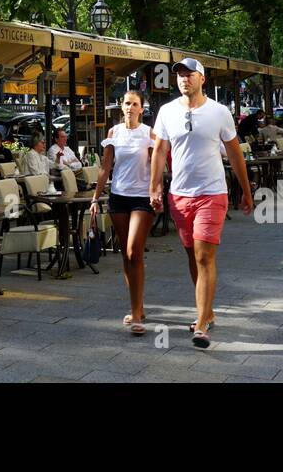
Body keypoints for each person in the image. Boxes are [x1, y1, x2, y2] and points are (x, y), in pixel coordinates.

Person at [149, 58, 253, 350]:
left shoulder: (219, 112)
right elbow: (159, 151)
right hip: (180, 196)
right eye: (180, 75)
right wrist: (155, 186)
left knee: (204, 256)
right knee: (193, 257)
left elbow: (234, 154)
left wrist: (246, 190)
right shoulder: (167, 111)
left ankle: (202, 324)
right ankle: (207, 309)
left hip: (212, 193)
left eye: (189, 74)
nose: (184, 79)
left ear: (202, 79)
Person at [94, 89, 157, 335]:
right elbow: (105, 166)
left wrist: (157, 191)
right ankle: (137, 307)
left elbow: (156, 166)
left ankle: (138, 314)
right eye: (126, 103)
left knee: (134, 251)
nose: (130, 107)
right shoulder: (113, 133)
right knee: (126, 256)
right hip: (119, 197)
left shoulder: (149, 133)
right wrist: (95, 197)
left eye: (135, 104)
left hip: (142, 198)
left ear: (142, 108)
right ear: (121, 107)